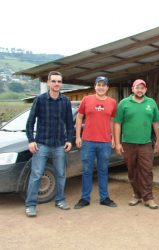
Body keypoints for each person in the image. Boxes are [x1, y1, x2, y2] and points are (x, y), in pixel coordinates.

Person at [25, 71, 74, 217]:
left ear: (62, 84)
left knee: (61, 173)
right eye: (53, 81)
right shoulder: (39, 100)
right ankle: (31, 205)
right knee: (36, 175)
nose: (56, 84)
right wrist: (31, 140)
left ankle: (60, 200)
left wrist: (69, 140)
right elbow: (30, 122)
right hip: (42, 144)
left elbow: (69, 123)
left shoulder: (65, 101)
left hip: (59, 144)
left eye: (59, 81)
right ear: (48, 83)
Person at [114, 79, 159, 209]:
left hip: (145, 143)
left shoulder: (151, 103)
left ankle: (148, 197)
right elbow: (117, 123)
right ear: (132, 89)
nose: (139, 90)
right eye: (137, 87)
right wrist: (117, 143)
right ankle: (136, 194)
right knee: (132, 170)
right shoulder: (124, 103)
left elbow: (156, 122)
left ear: (145, 90)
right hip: (128, 143)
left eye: (142, 88)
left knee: (146, 170)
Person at [73, 76, 117, 209]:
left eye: (104, 85)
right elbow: (79, 118)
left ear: (107, 88)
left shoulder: (112, 102)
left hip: (105, 142)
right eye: (99, 84)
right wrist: (78, 137)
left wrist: (114, 138)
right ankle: (85, 198)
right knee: (87, 170)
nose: (101, 87)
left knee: (103, 170)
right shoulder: (86, 100)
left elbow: (112, 121)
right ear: (95, 86)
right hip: (88, 141)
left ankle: (104, 198)